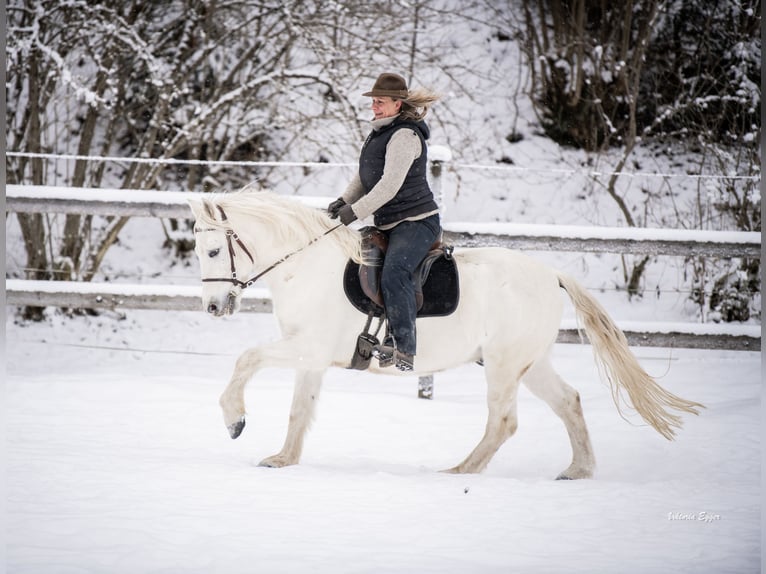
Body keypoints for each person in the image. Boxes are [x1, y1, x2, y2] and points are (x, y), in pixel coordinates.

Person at [328, 72, 441, 372]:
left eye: (380, 102)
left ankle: (403, 346)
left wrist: (355, 212)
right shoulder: (380, 132)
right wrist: (344, 201)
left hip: (416, 221)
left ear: (397, 104)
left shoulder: (405, 135)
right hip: (390, 222)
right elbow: (365, 176)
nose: (374, 107)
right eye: (373, 102)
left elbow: (388, 185)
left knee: (395, 272)